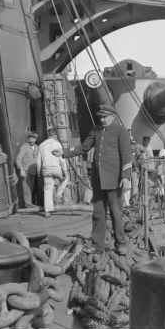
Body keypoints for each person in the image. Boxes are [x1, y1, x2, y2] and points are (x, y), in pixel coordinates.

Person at [66, 104, 131, 255]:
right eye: (100, 117)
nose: (101, 119)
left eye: (104, 117)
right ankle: (97, 246)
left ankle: (120, 243)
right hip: (98, 180)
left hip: (114, 180)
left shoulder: (120, 131)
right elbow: (83, 147)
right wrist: (64, 153)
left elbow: (127, 156)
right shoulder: (96, 130)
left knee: (116, 213)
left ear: (112, 117)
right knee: (98, 213)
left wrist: (126, 177)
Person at [36, 130, 68, 218]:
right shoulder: (57, 144)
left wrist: (39, 172)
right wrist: (65, 171)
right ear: (55, 136)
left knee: (47, 189)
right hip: (56, 168)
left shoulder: (41, 145)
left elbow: (38, 161)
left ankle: (47, 211)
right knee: (65, 179)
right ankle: (58, 194)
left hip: (46, 170)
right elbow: (62, 159)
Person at [15, 132, 40, 208]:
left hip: (33, 171)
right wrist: (21, 169)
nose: (32, 140)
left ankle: (30, 203)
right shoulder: (24, 147)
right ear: (28, 139)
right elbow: (18, 159)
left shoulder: (37, 147)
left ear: (36, 139)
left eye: (34, 138)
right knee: (26, 188)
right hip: (25, 171)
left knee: (31, 188)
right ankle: (28, 204)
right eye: (31, 138)